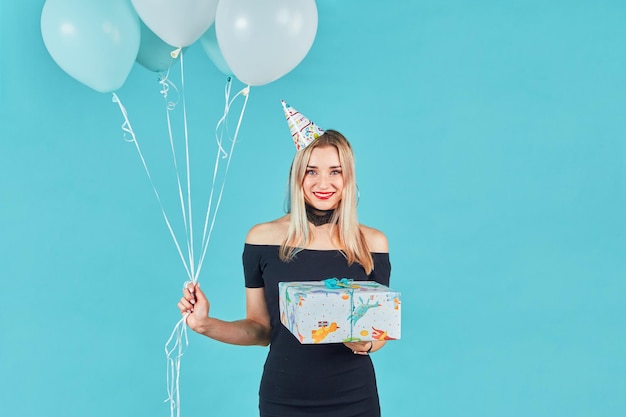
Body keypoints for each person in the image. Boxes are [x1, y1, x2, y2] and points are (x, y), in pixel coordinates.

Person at [178, 108, 391, 417]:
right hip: (285, 397)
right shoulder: (262, 239)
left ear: (348, 177)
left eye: (335, 171)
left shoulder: (371, 243)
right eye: (311, 171)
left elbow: (378, 333)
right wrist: (204, 324)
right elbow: (261, 330)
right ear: (297, 175)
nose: (324, 182)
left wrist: (366, 345)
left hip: (353, 397)